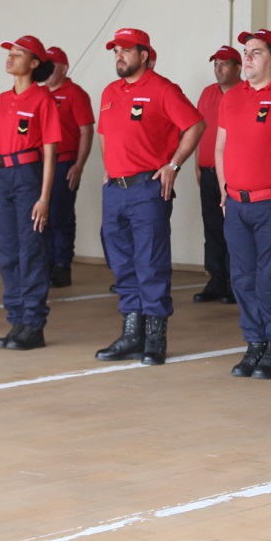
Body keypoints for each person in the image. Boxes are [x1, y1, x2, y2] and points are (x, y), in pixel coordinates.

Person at [95, 27, 204, 366]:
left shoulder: (163, 89)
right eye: (116, 51)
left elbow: (195, 125)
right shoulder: (110, 91)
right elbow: (104, 133)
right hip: (115, 190)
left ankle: (155, 338)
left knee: (150, 262)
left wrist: (173, 165)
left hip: (146, 189)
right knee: (122, 262)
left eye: (126, 51)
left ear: (144, 55)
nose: (119, 56)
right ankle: (131, 333)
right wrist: (108, 169)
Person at [217, 28, 271, 380]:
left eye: (256, 52)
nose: (247, 58)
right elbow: (221, 146)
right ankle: (255, 343)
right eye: (246, 52)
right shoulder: (232, 97)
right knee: (242, 279)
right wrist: (224, 187)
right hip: (237, 204)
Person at [0, 36, 61, 351]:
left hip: (28, 176)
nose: (11, 57)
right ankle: (16, 320)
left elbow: (50, 153)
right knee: (7, 251)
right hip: (2, 176)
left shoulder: (43, 99)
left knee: (30, 249)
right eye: (10, 53)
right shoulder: (1, 100)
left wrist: (44, 197)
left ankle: (33, 323)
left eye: (19, 54)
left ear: (34, 64)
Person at [42, 46, 95, 288]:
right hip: (41, 165)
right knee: (43, 215)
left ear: (64, 68)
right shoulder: (40, 93)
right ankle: (48, 262)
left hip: (64, 163)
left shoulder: (75, 93)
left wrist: (79, 165)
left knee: (60, 216)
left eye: (52, 65)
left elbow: (86, 130)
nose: (47, 69)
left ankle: (62, 265)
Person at [193, 45, 242, 304]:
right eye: (216, 64)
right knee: (212, 227)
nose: (218, 69)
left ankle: (236, 280)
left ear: (238, 68)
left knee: (233, 229)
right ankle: (216, 278)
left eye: (224, 64)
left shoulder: (245, 94)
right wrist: (196, 165)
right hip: (208, 173)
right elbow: (199, 130)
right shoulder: (207, 94)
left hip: (233, 176)